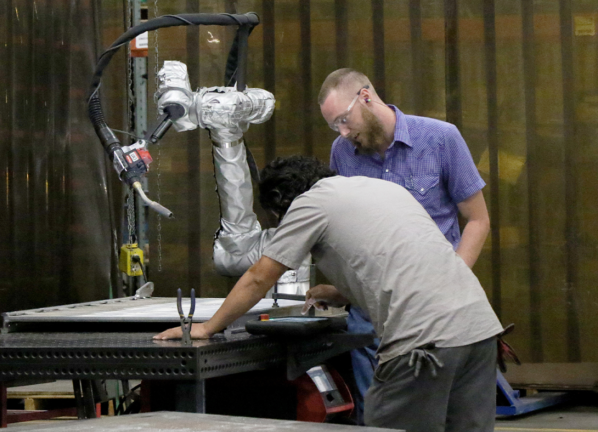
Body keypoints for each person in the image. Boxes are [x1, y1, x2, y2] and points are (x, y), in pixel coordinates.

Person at [155, 155, 503, 432]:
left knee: (387, 426)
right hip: (480, 332)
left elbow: (259, 276)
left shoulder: (310, 203)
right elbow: (403, 264)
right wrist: (341, 291)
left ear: (282, 203)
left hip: (425, 343)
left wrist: (207, 327)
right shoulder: (378, 188)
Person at [318, 68, 491, 422]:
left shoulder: (441, 139)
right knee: (377, 416)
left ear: (365, 97)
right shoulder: (343, 152)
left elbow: (477, 220)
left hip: (433, 318)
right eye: (335, 125)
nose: (343, 132)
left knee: (442, 417)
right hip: (371, 315)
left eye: (344, 120)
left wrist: (450, 281)